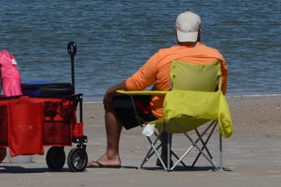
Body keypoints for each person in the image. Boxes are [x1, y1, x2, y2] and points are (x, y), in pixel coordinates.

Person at [89, 11, 228, 168]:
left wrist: (111, 91)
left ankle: (111, 156)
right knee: (169, 96)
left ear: (176, 32)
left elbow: (138, 83)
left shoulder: (164, 56)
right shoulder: (217, 57)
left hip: (167, 115)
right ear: (200, 32)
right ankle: (165, 155)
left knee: (118, 101)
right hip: (203, 114)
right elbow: (221, 92)